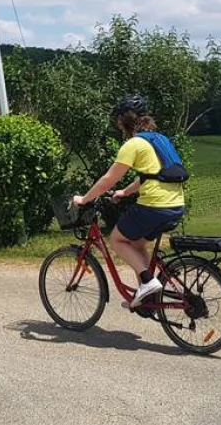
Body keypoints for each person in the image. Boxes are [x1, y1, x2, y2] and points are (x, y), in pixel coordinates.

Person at [72, 95, 186, 308]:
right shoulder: (160, 139)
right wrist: (124, 192)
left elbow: (109, 178)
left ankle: (147, 281)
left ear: (124, 121)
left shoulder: (134, 143)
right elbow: (152, 175)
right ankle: (147, 296)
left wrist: (85, 199)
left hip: (154, 206)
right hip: (175, 205)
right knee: (136, 243)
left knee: (117, 240)